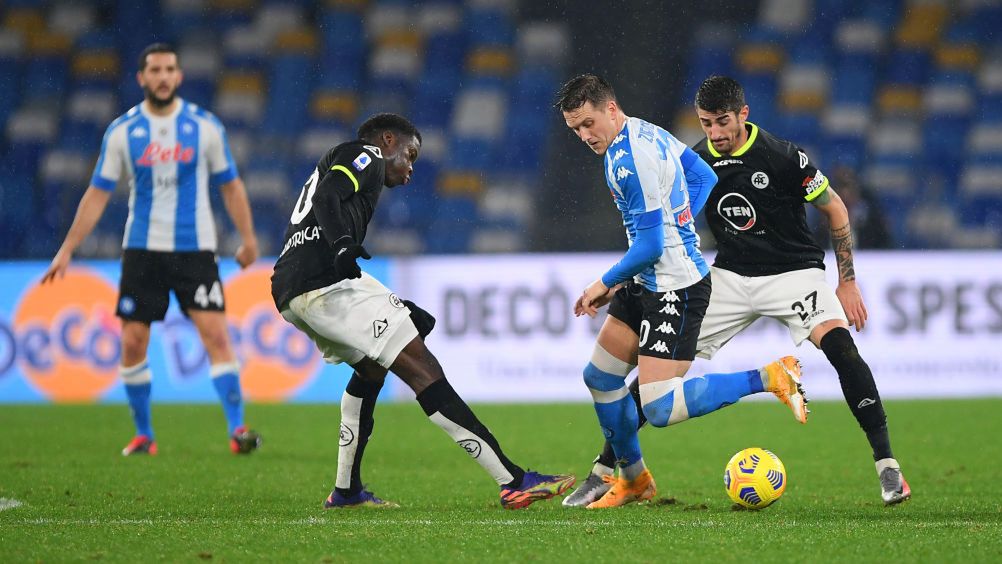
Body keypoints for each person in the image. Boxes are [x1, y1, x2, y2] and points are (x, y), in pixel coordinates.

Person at [564, 75, 909, 507]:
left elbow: (835, 207)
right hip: (729, 276)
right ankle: (606, 468)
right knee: (655, 376)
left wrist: (848, 280)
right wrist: (681, 234)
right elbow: (699, 186)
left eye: (722, 122)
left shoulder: (784, 157)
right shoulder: (698, 154)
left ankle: (887, 465)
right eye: (706, 124)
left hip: (793, 273)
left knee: (841, 349)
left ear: (743, 115)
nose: (715, 134)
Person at [270, 112, 575, 509]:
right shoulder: (366, 154)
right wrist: (344, 244)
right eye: (410, 154)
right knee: (423, 369)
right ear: (387, 141)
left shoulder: (353, 164)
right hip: (323, 282)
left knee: (372, 367)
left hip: (294, 286)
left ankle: (347, 491)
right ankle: (512, 480)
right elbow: (329, 196)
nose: (411, 167)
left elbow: (325, 199)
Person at [554, 74, 807, 510]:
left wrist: (605, 281)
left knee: (660, 408)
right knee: (599, 376)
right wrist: (681, 225)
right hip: (649, 278)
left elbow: (652, 245)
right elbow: (704, 176)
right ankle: (634, 480)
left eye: (588, 123)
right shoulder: (644, 130)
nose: (584, 136)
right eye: (575, 129)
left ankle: (770, 376)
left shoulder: (628, 159)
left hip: (676, 287)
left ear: (610, 109)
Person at [41, 43, 261, 456]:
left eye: (170, 69)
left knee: (216, 334)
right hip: (142, 251)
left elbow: (231, 186)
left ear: (179, 76)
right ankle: (144, 435)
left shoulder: (205, 127)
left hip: (195, 250)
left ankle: (238, 430)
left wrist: (248, 239)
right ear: (141, 78)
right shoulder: (122, 132)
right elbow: (97, 193)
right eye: (155, 70)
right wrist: (68, 248)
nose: (163, 76)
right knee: (132, 342)